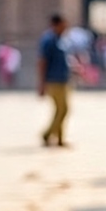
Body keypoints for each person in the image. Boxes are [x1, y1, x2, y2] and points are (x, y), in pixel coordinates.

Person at [38, 14, 72, 147]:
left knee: (61, 110)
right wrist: (41, 83)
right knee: (63, 109)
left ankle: (59, 139)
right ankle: (47, 134)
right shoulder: (49, 40)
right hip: (53, 80)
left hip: (63, 80)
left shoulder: (61, 40)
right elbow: (42, 62)